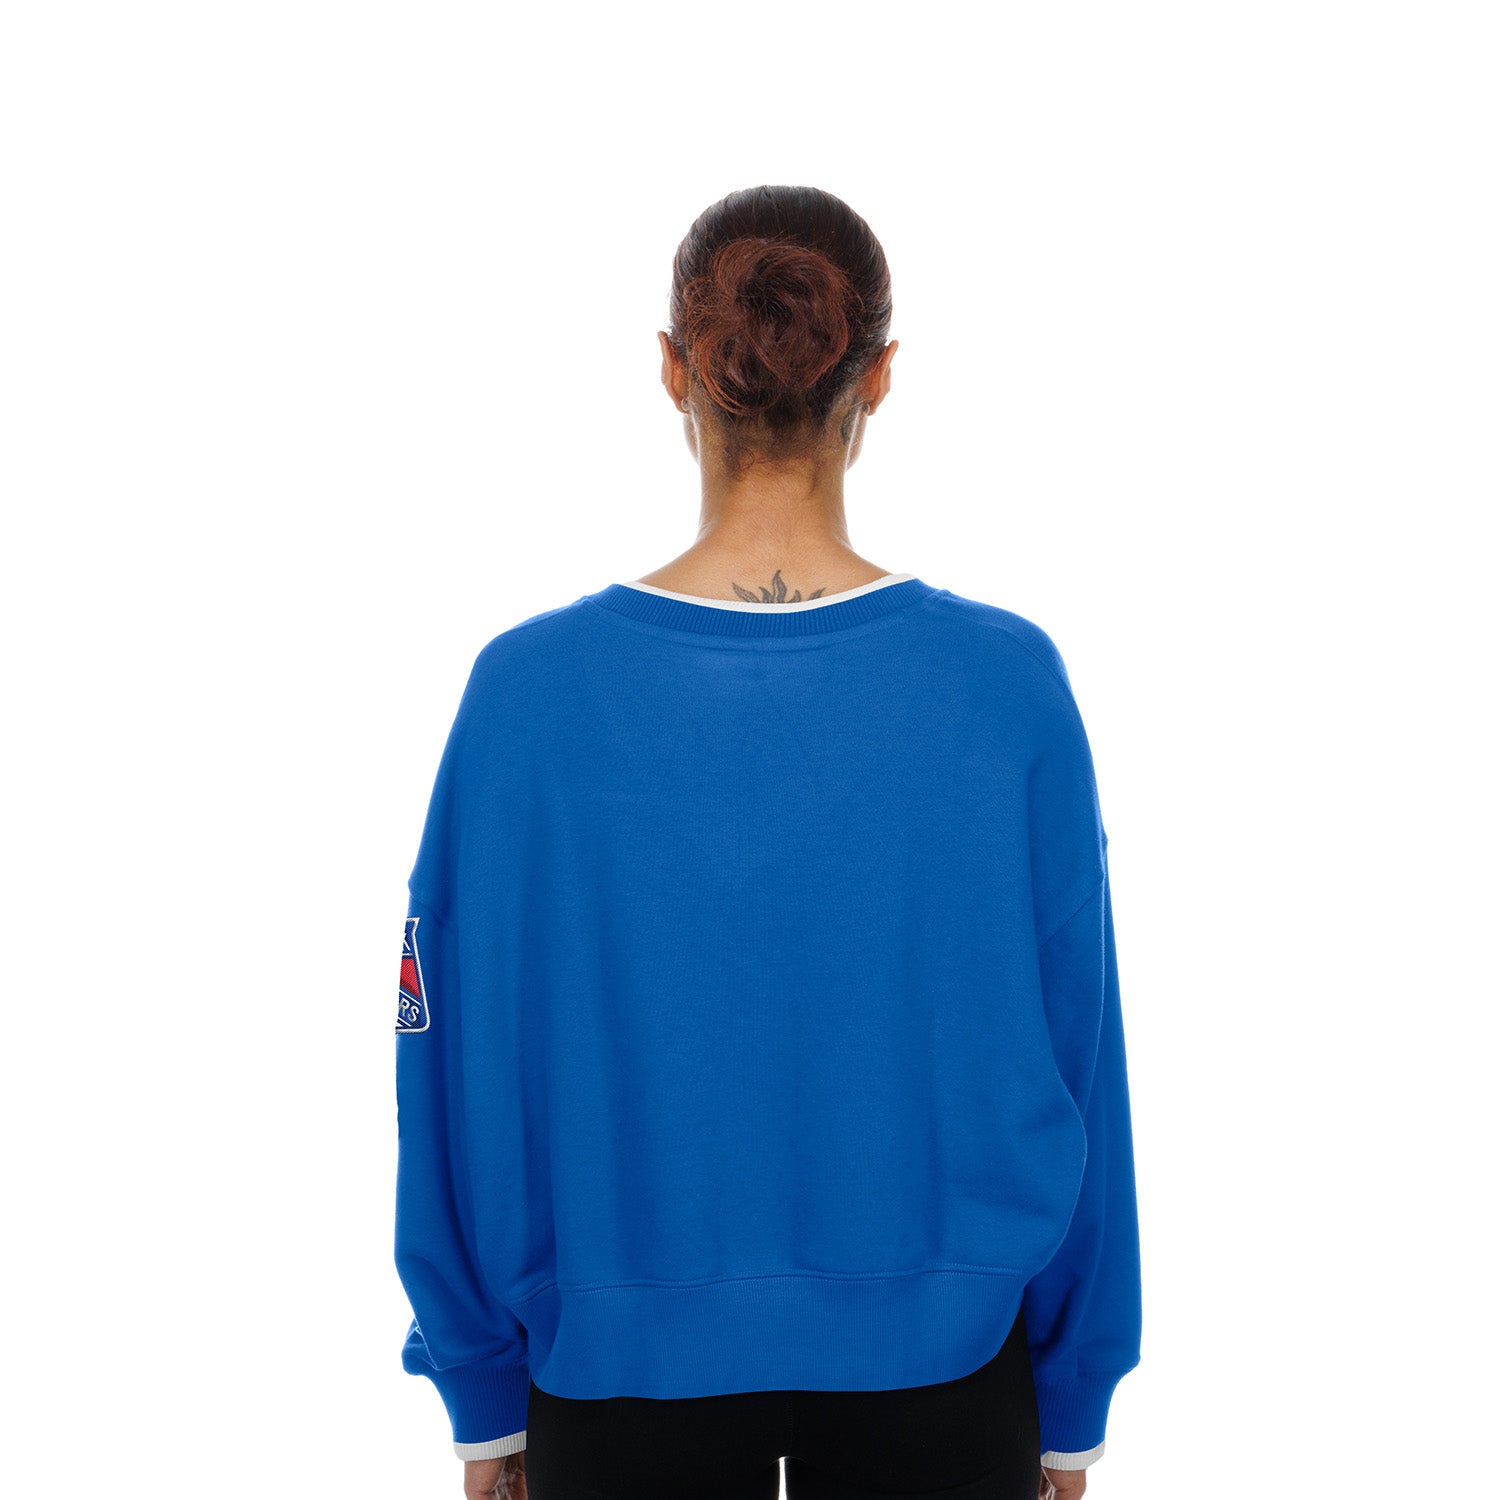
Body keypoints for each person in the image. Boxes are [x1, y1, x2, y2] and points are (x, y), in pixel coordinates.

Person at [393, 184, 1142, 1500]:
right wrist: (1072, 1396)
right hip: (949, 1384)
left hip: (613, 1393)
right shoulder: (1006, 686)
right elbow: (1082, 1054)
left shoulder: (526, 698)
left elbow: (445, 1056)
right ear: (882, 376)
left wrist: (481, 1391)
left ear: (672, 369)